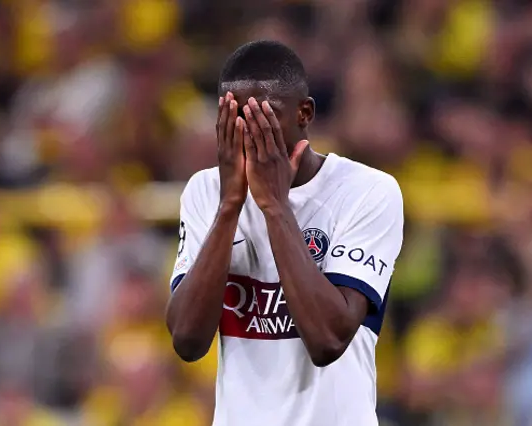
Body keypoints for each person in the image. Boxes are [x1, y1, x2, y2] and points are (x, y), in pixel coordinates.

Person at [165, 40, 404, 426]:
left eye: (266, 117)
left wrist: (275, 206)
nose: (252, 134)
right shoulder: (206, 192)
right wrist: (229, 207)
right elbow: (188, 342)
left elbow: (328, 340)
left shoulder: (367, 190)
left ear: (304, 113)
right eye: (238, 120)